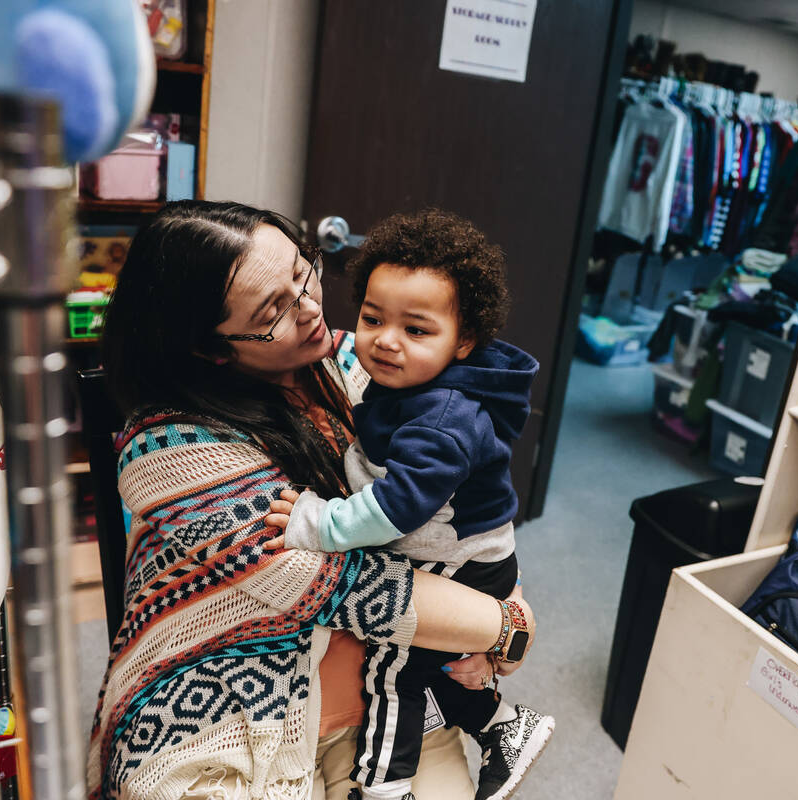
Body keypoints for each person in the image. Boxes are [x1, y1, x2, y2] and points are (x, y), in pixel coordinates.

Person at [87, 200, 538, 800]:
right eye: (274, 309)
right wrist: (503, 624)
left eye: (305, 273)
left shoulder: (365, 362)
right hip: (227, 710)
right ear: (211, 349)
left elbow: (472, 505)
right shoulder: (169, 450)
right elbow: (342, 583)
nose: (310, 309)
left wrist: (504, 599)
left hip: (391, 690)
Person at [262, 210, 554, 800]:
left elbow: (395, 508)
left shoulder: (442, 418)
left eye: (416, 330)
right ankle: (502, 727)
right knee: (432, 667)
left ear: (464, 342)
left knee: (393, 669)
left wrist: (319, 522)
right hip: (461, 551)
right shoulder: (397, 379)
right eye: (372, 318)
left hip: (458, 557)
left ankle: (384, 786)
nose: (385, 340)